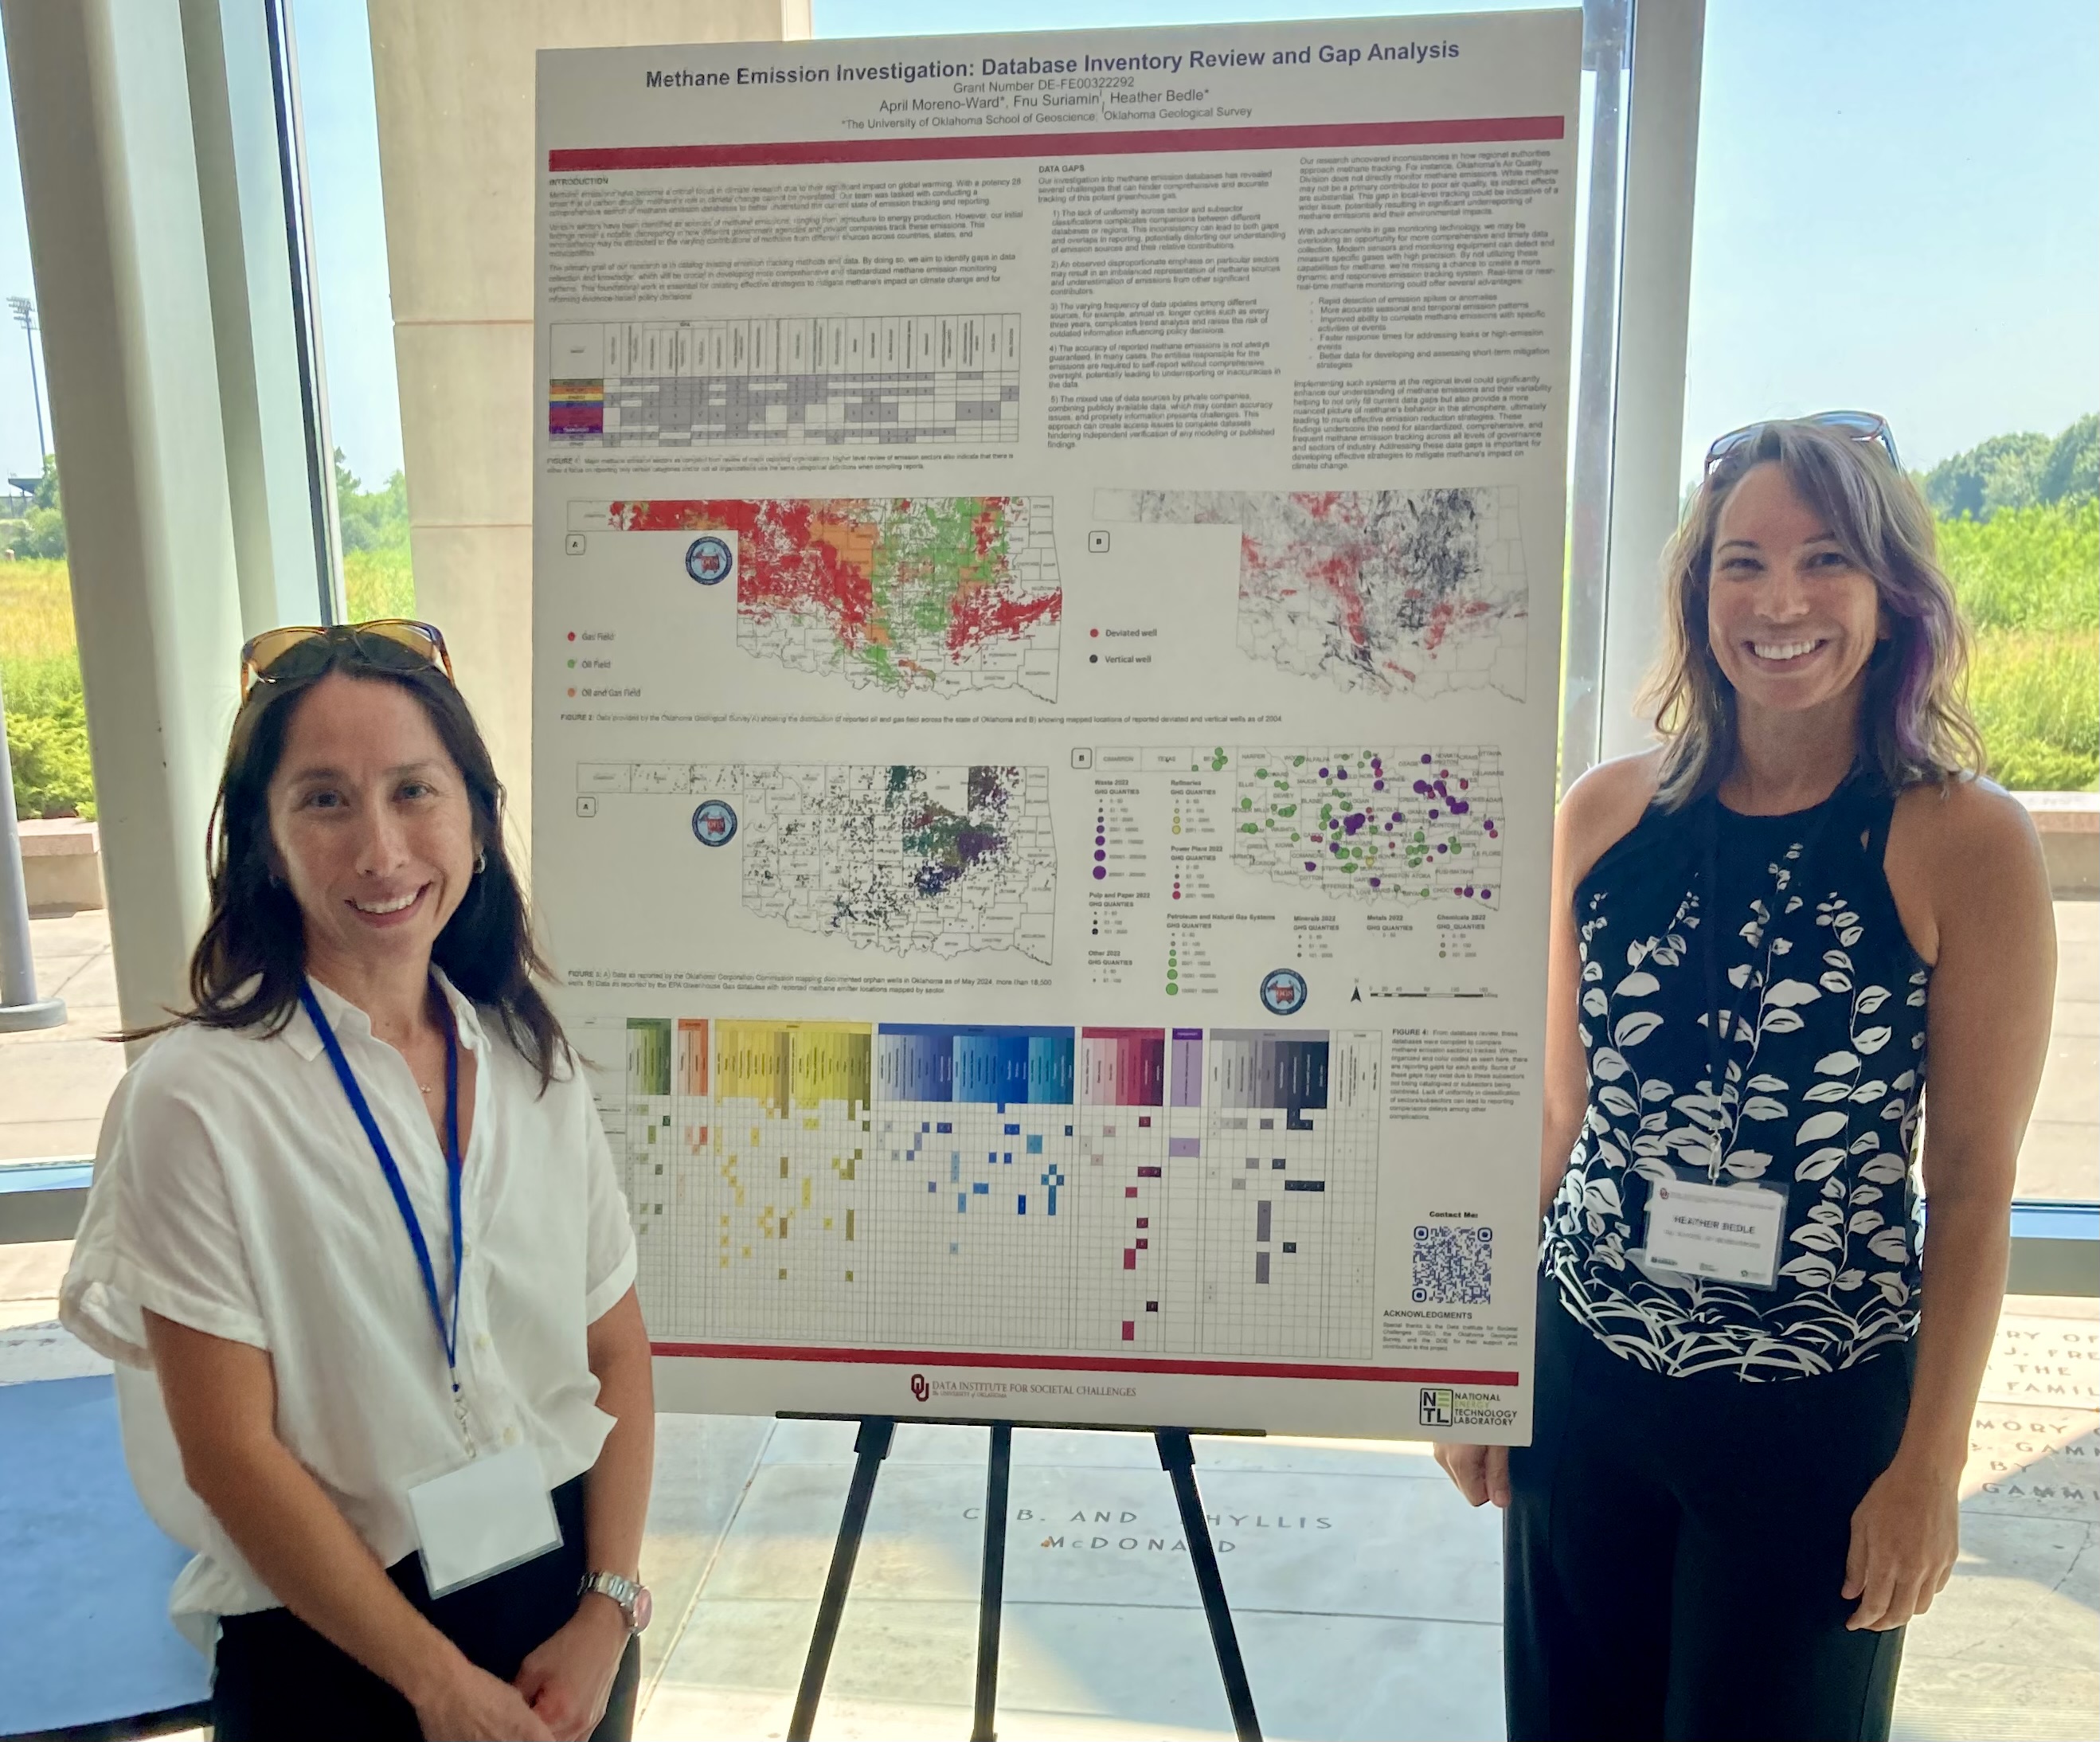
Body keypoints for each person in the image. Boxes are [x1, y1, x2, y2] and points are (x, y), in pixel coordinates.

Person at [1434, 415, 2057, 1741]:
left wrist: (1927, 1471)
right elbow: (1554, 1117)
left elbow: (1972, 1185)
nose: (1780, 602)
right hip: (1587, 1381)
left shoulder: (1963, 840)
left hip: (1818, 1422)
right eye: (1741, 563)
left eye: (1824, 559)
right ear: (1694, 591)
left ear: (1887, 594)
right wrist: (1470, 1371)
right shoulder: (1603, 816)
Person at [61, 620, 655, 1742]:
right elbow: (229, 1452)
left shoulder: (530, 1064)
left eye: (414, 791)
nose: (381, 852)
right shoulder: (197, 1101)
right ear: (264, 843)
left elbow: (614, 1350)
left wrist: (608, 1613)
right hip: (332, 1654)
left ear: (476, 816)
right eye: (325, 801)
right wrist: (434, 1684)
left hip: (559, 1628)